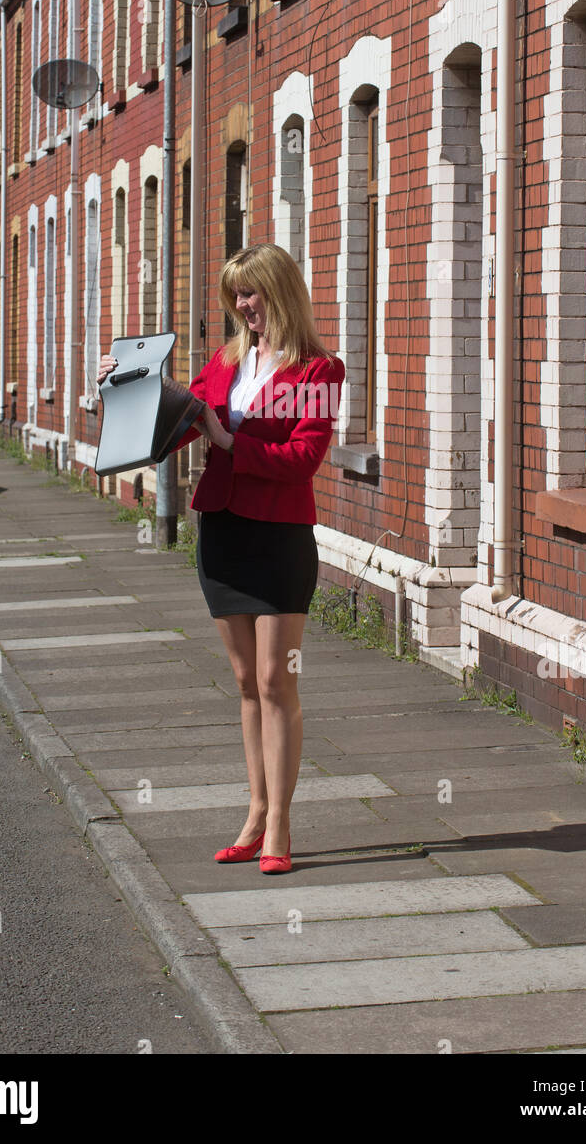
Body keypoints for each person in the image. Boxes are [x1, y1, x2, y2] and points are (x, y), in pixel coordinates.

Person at [97, 243, 344, 874]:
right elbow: (175, 425)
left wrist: (229, 437)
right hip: (224, 535)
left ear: (279, 291)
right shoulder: (227, 360)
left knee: (274, 679)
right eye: (235, 295)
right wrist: (126, 388)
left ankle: (282, 824)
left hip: (281, 540)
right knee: (243, 684)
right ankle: (256, 812)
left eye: (251, 293)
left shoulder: (319, 372)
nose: (242, 306)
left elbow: (303, 461)